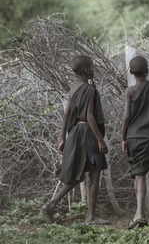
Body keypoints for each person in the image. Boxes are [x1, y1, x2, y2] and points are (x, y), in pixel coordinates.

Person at [41, 55, 110, 225]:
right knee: (95, 174)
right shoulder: (89, 89)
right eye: (92, 67)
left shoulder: (73, 89)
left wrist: (63, 138)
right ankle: (90, 217)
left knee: (78, 175)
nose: (94, 69)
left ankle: (51, 205)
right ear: (87, 71)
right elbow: (90, 116)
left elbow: (66, 115)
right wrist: (100, 140)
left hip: (75, 133)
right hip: (87, 134)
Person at [121, 55, 149, 229]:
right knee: (139, 174)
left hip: (133, 138)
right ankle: (140, 213)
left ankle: (139, 214)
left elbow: (126, 116)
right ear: (147, 71)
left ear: (131, 72)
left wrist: (123, 138)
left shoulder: (129, 91)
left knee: (138, 174)